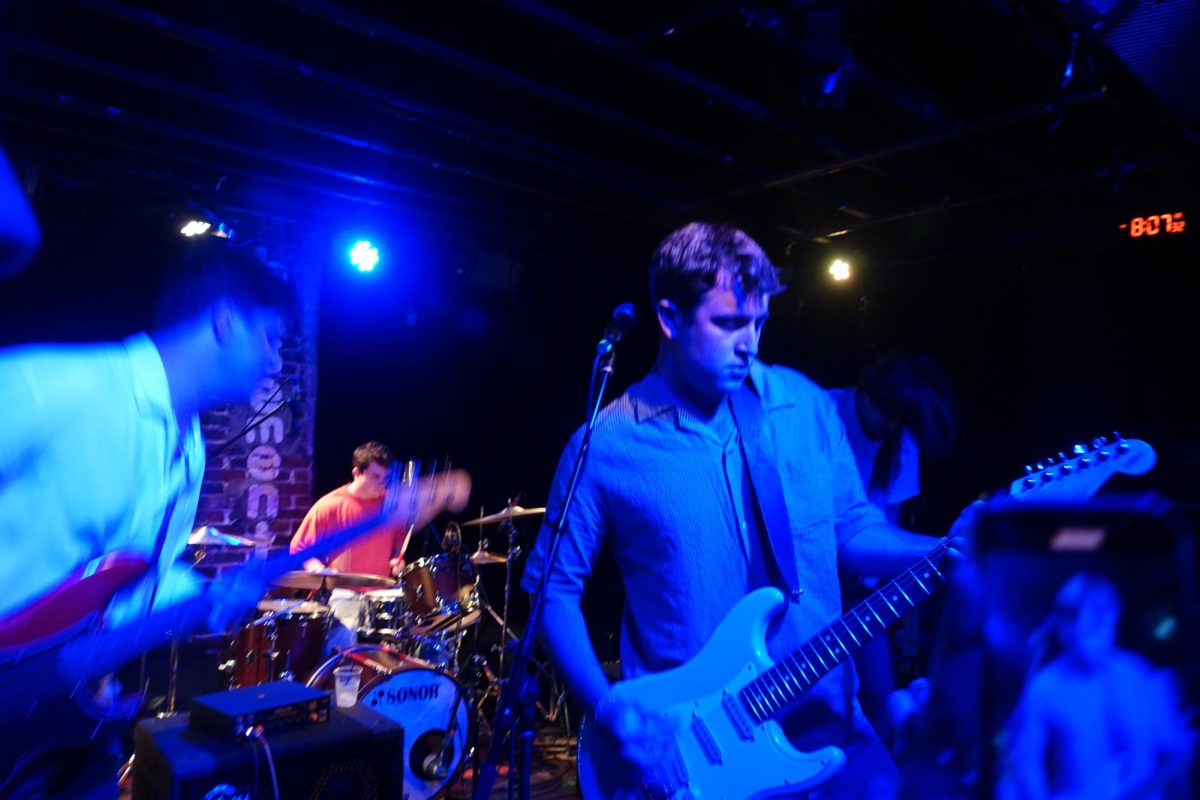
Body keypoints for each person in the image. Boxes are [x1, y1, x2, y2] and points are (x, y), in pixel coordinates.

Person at [522, 222, 967, 799]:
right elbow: (553, 593)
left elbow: (852, 528)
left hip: (834, 722)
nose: (749, 342)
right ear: (669, 317)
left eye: (759, 323)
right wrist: (609, 712)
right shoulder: (605, 446)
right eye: (729, 323)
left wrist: (937, 549)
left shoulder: (801, 403)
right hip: (701, 753)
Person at [0, 240, 294, 797]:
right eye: (270, 338)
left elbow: (137, 586)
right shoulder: (61, 388)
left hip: (64, 730)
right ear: (226, 320)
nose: (276, 362)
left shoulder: (190, 451)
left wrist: (207, 598)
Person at [828, 353, 957, 742]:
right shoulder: (821, 414)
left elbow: (890, 535)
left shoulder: (901, 444)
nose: (891, 429)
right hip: (810, 593)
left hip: (859, 597)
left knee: (884, 713)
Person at [998, 572, 1195, 800]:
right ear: (1065, 628)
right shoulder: (1044, 687)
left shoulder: (1135, 671)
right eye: (1092, 629)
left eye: (1110, 627)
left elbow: (1175, 753)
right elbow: (1026, 762)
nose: (1104, 639)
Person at [288, 440, 413, 650]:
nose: (382, 483)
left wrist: (395, 558)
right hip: (342, 592)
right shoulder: (330, 505)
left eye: (386, 478)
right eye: (375, 477)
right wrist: (318, 570)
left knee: (408, 635)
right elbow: (299, 549)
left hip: (381, 594)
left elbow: (399, 539)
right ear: (356, 473)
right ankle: (337, 678)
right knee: (342, 639)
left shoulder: (390, 505)